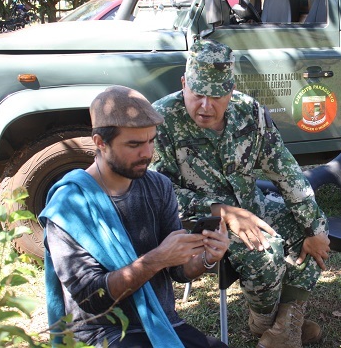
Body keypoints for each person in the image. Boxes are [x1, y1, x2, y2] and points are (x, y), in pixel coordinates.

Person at [151, 39, 331, 348]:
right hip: (199, 221)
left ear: (230, 90)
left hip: (251, 208)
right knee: (265, 250)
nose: (205, 106)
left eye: (216, 96)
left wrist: (314, 227)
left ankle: (283, 329)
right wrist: (222, 211)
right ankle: (267, 325)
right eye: (197, 94)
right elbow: (159, 194)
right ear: (184, 83)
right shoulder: (162, 120)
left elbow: (284, 170)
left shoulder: (249, 113)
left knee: (315, 230)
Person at [39, 85, 230, 348]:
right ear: (100, 143)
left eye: (151, 141)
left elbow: (177, 271)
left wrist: (207, 258)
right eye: (134, 144)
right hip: (101, 332)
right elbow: (91, 298)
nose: (147, 153)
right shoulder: (70, 205)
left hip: (160, 320)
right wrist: (155, 259)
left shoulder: (158, 186)